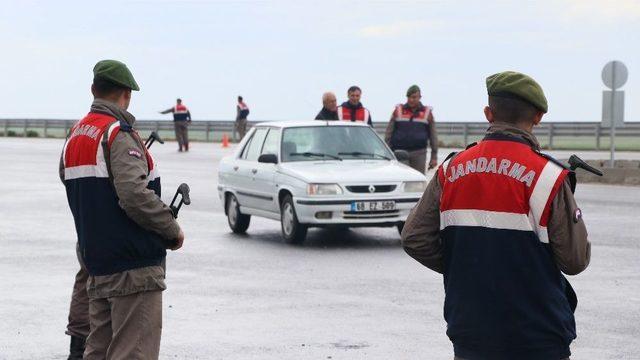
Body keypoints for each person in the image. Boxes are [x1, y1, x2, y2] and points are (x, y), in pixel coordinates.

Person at [401, 71, 591, 360]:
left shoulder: (451, 170)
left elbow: (414, 239)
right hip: (538, 334)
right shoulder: (549, 176)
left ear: (489, 113)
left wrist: (467, 269)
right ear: (538, 117)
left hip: (471, 331)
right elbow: (575, 261)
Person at [60, 60, 184, 359]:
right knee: (133, 352)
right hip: (133, 266)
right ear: (127, 94)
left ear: (94, 89)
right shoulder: (117, 133)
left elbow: (75, 188)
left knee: (98, 351)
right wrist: (171, 229)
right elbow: (133, 194)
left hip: (98, 264)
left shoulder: (75, 135)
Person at [384, 85, 438, 173]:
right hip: (399, 153)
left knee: (417, 182)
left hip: (419, 153)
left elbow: (433, 136)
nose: (411, 100)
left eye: (414, 97)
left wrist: (434, 157)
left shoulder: (427, 113)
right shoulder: (398, 110)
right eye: (409, 97)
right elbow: (388, 133)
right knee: (401, 178)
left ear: (420, 97)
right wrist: (387, 152)